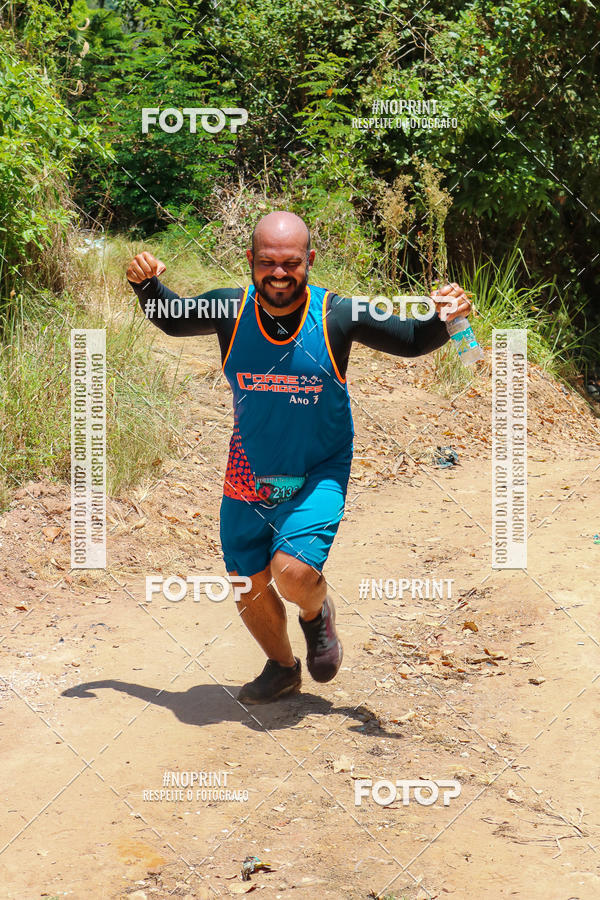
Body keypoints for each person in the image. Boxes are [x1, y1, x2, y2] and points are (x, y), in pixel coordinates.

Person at [127, 211, 472, 704]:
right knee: (247, 580)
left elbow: (412, 339)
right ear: (251, 260)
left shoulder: (338, 314)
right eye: (267, 262)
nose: (279, 273)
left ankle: (316, 612)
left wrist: (445, 317)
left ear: (309, 260)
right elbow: (172, 318)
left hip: (317, 469)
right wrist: (146, 284)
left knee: (292, 573)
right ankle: (283, 668)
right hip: (249, 470)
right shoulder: (229, 309)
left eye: (291, 263)